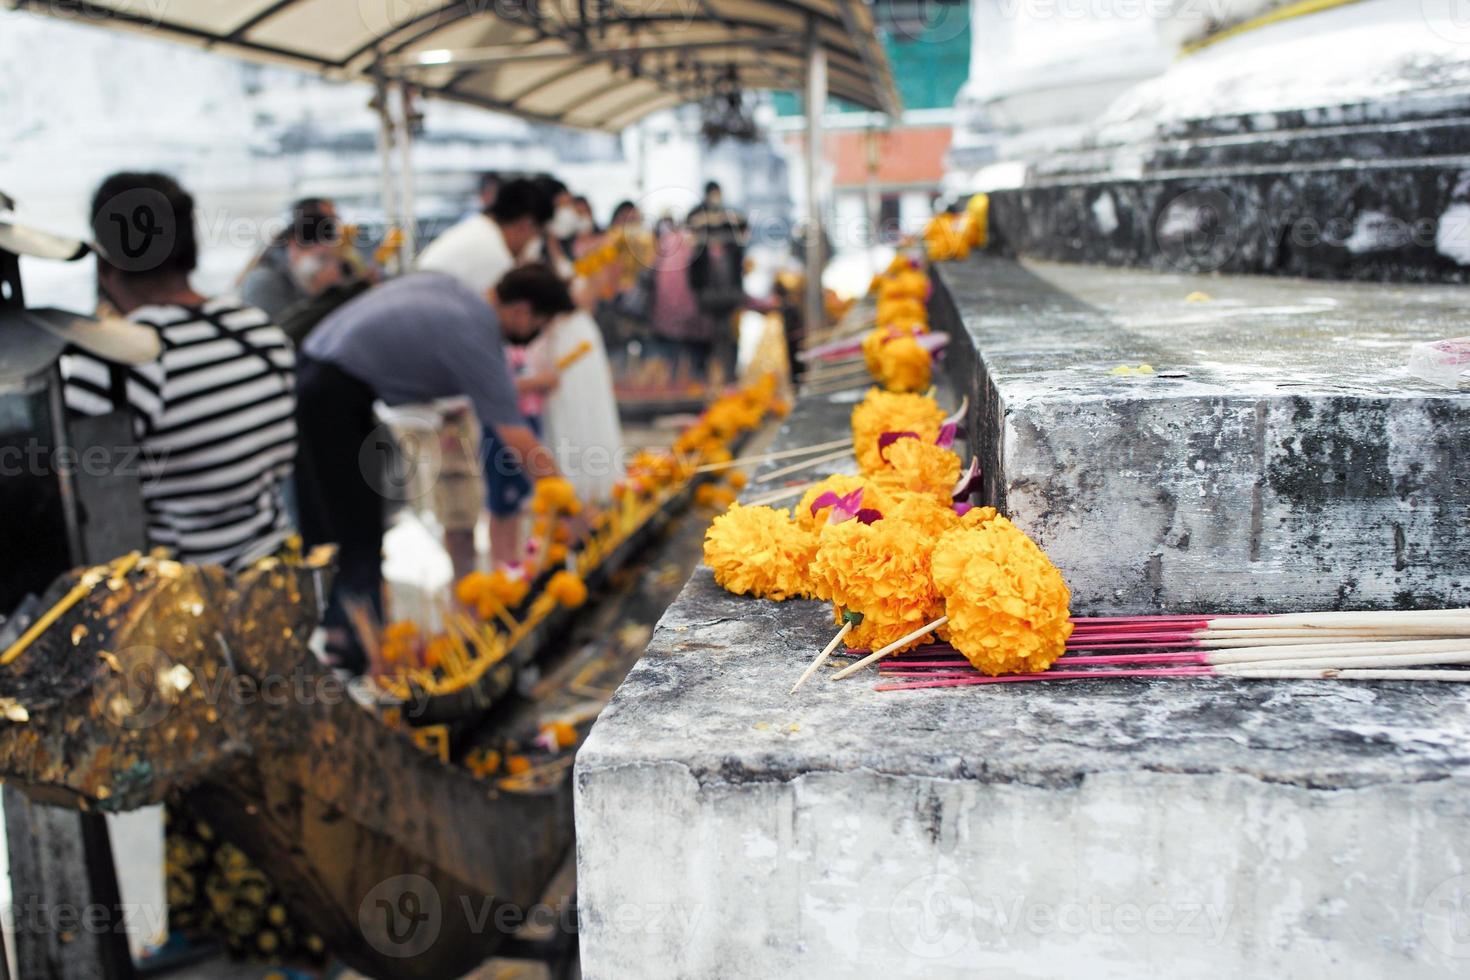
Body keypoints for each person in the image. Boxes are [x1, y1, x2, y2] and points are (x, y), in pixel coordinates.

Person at [293, 265, 571, 670]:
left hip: (319, 371)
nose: (537, 334)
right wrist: (568, 504)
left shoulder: (458, 290)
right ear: (523, 311)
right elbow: (517, 438)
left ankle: (346, 631)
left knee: (338, 518)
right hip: (330, 390)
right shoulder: (476, 332)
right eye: (540, 324)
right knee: (354, 524)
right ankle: (356, 647)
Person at [62, 172, 297, 569]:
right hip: (275, 583)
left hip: (180, 607)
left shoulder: (121, 362)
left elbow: (77, 501)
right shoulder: (260, 333)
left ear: (105, 265)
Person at [416, 177, 553, 296]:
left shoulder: (480, 229)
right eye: (537, 234)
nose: (534, 242)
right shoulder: (493, 254)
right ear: (525, 225)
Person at [240, 198, 346, 320]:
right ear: (294, 243)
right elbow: (285, 331)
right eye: (321, 259)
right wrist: (322, 295)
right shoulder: (265, 280)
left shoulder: (337, 266)